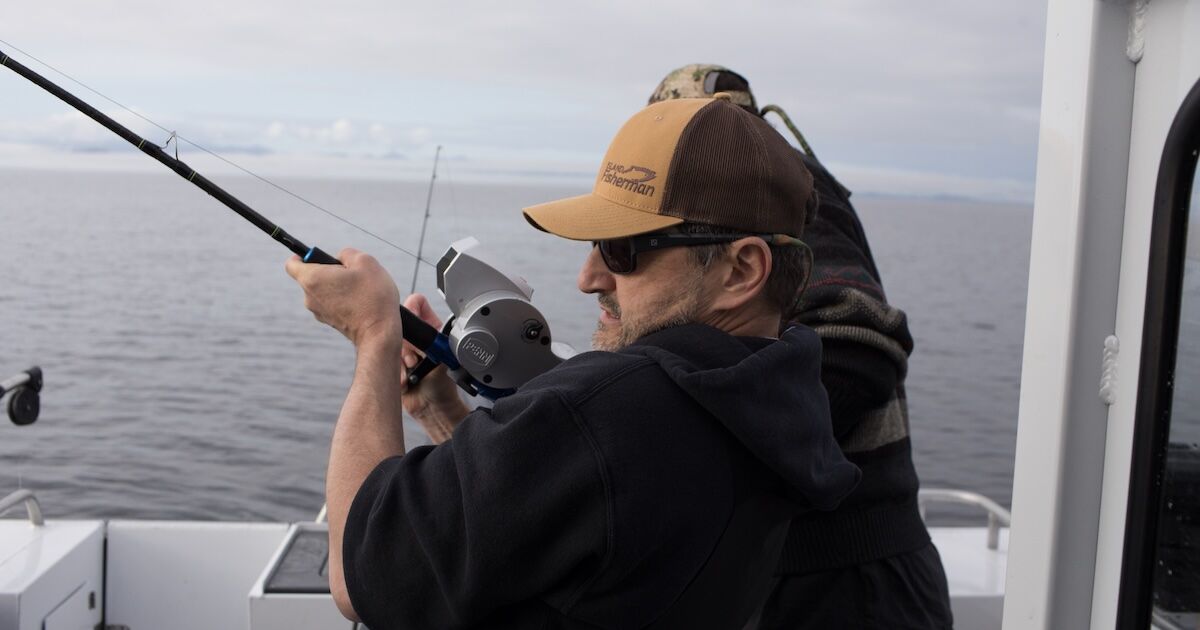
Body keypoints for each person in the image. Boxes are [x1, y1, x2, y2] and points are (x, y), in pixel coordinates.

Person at [286, 95, 861, 629]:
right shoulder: (782, 398)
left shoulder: (607, 413)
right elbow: (561, 524)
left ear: (741, 270)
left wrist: (373, 334)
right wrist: (441, 411)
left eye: (622, 250)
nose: (589, 279)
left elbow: (362, 574)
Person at [648, 64, 954, 629]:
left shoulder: (775, 183)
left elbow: (858, 341)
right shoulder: (747, 192)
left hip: (850, 581)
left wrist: (707, 447)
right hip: (789, 574)